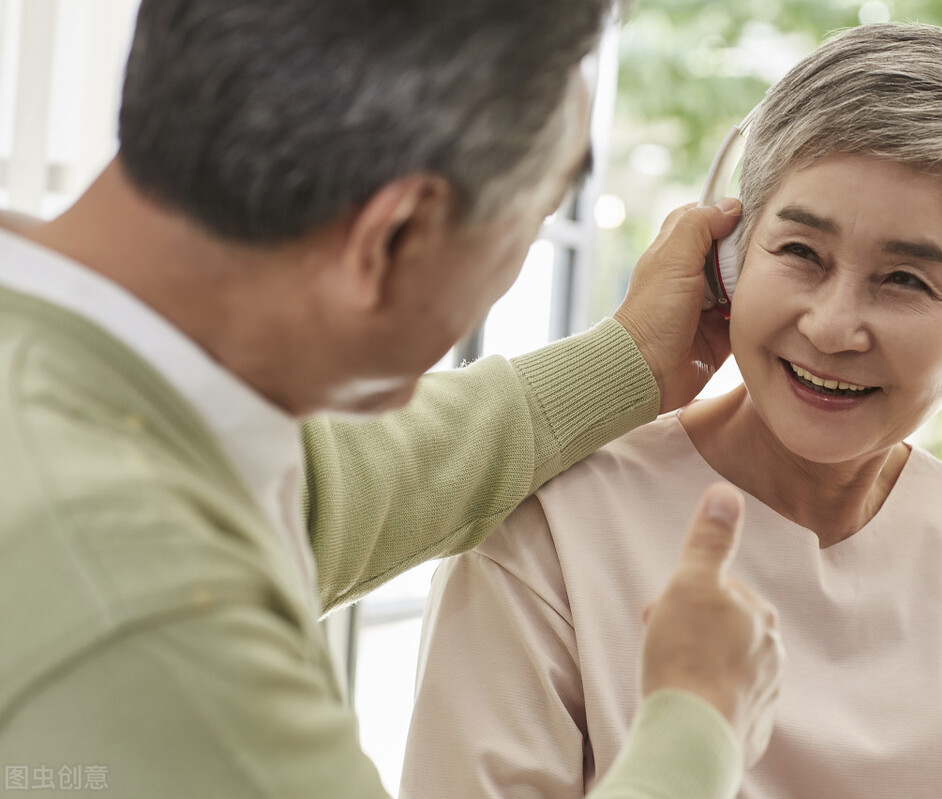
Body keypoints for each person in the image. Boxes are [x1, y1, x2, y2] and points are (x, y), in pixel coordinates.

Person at [0, 1, 785, 797]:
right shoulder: (144, 608)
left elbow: (326, 485)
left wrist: (627, 364)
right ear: (394, 235)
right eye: (535, 215)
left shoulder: (90, 393)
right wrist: (696, 723)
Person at [404, 22, 942, 799]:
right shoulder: (552, 533)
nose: (832, 326)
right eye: (801, 253)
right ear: (729, 259)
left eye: (905, 279)